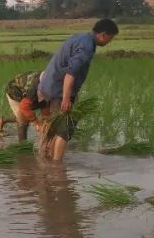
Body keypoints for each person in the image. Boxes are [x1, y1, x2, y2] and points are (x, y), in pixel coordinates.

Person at [36, 18, 119, 161]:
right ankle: (56, 166)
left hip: (49, 86)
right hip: (59, 90)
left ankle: (45, 156)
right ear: (103, 35)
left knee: (56, 125)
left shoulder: (81, 37)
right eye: (110, 38)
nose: (109, 42)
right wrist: (66, 98)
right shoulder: (86, 46)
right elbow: (71, 73)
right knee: (65, 129)